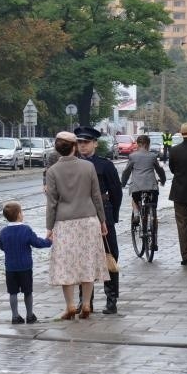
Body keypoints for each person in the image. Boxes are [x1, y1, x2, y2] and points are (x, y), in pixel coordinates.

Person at [45, 131, 110, 320]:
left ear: (58, 149)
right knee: (88, 261)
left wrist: (49, 228)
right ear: (74, 147)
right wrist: (102, 220)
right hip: (89, 220)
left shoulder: (52, 171)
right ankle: (87, 304)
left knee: (67, 265)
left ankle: (70, 306)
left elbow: (52, 202)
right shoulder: (88, 167)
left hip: (64, 223)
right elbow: (96, 196)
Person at [74, 125, 123, 315]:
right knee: (83, 258)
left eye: (86, 142)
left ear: (95, 143)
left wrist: (112, 216)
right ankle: (85, 301)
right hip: (81, 215)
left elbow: (116, 192)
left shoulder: (105, 165)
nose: (83, 146)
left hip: (104, 214)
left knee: (110, 255)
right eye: (79, 142)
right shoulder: (74, 163)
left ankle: (111, 300)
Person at [0, 201, 52, 324]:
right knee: (28, 291)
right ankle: (29, 315)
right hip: (25, 267)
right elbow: (37, 242)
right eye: (21, 212)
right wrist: (49, 241)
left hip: (10, 268)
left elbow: (2, 246)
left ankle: (15, 316)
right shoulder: (26, 229)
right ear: (19, 215)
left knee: (12, 292)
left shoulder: (3, 232)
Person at [121, 134, 166, 251]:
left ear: (138, 144)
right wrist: (163, 180)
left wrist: (123, 183)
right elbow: (159, 170)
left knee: (135, 200)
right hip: (152, 187)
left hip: (137, 187)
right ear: (148, 144)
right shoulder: (152, 156)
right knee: (153, 210)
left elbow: (126, 171)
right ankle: (154, 240)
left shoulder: (132, 156)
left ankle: (136, 214)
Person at [169, 122, 187, 266]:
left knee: (182, 224)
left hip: (180, 192)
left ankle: (186, 256)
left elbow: (172, 169)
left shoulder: (174, 151)